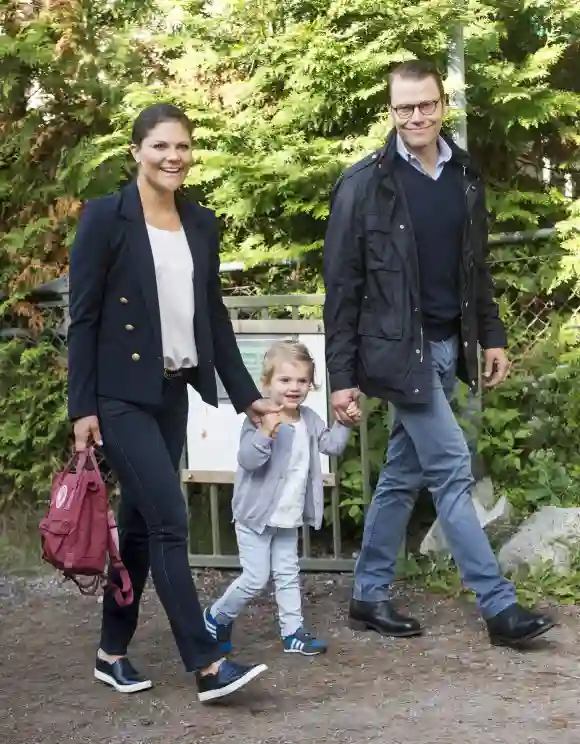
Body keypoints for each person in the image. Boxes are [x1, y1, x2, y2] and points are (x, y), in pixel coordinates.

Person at [322, 59, 555, 648]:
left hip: (454, 345)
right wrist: (341, 377)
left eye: (426, 105)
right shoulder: (364, 185)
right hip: (403, 354)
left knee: (403, 474)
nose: (416, 116)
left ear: (442, 105)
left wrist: (493, 335)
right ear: (391, 111)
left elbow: (476, 269)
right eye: (405, 107)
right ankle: (500, 609)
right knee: (451, 471)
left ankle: (368, 593)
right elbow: (343, 290)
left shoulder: (464, 176)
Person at [67, 103, 280, 702]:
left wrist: (247, 398)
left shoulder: (201, 223)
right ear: (136, 152)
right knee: (168, 520)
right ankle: (208, 663)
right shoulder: (106, 218)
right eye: (161, 146)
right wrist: (82, 408)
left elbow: (212, 316)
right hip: (119, 396)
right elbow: (81, 319)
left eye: (183, 146)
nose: (173, 157)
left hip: (170, 394)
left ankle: (112, 652)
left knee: (137, 527)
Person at [204, 340, 360, 656]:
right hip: (255, 517)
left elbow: (331, 446)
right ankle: (215, 616)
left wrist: (344, 422)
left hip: (288, 516)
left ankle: (293, 633)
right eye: (285, 380)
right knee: (255, 578)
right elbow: (248, 461)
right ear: (267, 383)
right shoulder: (260, 418)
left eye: (302, 381)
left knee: (288, 574)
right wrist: (266, 434)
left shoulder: (311, 419)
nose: (294, 387)